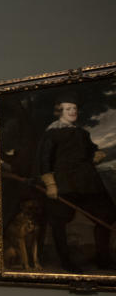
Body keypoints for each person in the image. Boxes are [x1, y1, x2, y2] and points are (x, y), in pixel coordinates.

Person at [37, 97, 115, 271]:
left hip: (88, 182)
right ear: (59, 112)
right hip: (64, 184)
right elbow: (44, 160)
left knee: (106, 215)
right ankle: (66, 262)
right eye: (68, 109)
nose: (73, 112)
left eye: (75, 109)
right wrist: (50, 184)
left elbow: (91, 151)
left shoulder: (82, 133)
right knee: (59, 221)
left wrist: (96, 155)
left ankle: (103, 258)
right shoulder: (51, 133)